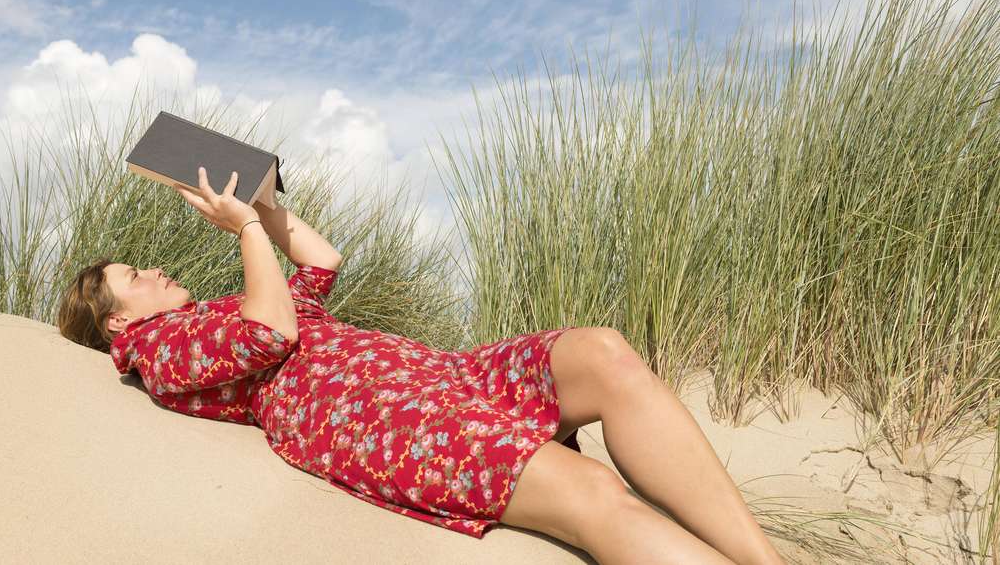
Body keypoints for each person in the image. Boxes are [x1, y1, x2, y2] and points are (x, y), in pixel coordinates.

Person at [57, 167, 785, 564]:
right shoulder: (155, 348)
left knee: (604, 351)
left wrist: (264, 204)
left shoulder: (220, 304)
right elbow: (273, 331)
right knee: (589, 490)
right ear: (117, 317)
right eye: (134, 277)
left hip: (433, 372)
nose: (153, 270)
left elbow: (322, 263)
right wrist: (245, 228)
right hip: (379, 417)